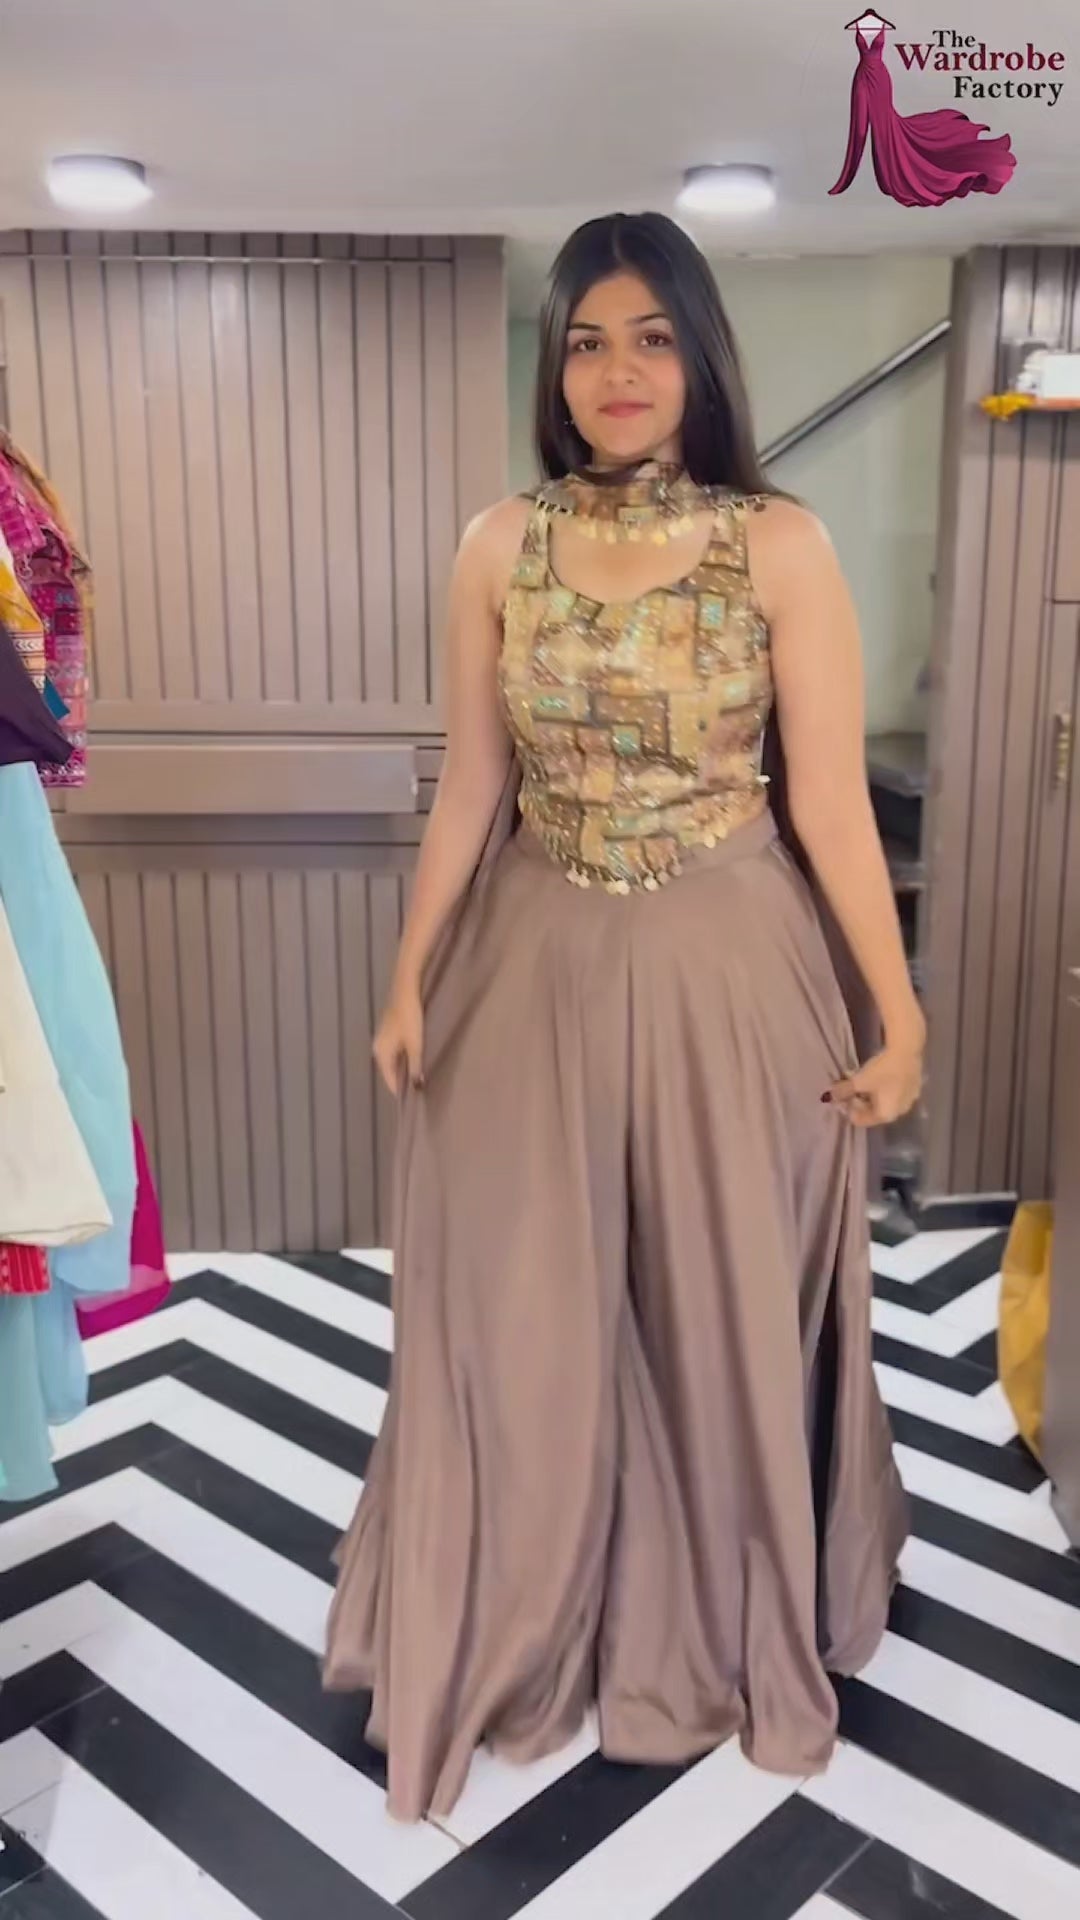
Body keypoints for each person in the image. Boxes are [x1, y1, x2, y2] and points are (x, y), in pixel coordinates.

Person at [323, 210, 920, 1824]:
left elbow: (830, 804)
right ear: (556, 367)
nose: (618, 370)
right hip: (531, 957)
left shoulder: (778, 543)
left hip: (734, 960)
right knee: (521, 1303)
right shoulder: (495, 543)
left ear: (701, 352)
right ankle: (527, 1604)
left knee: (720, 1292)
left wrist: (898, 1008)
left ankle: (721, 1609)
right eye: (586, 340)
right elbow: (473, 786)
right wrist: (410, 972)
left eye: (652, 336)